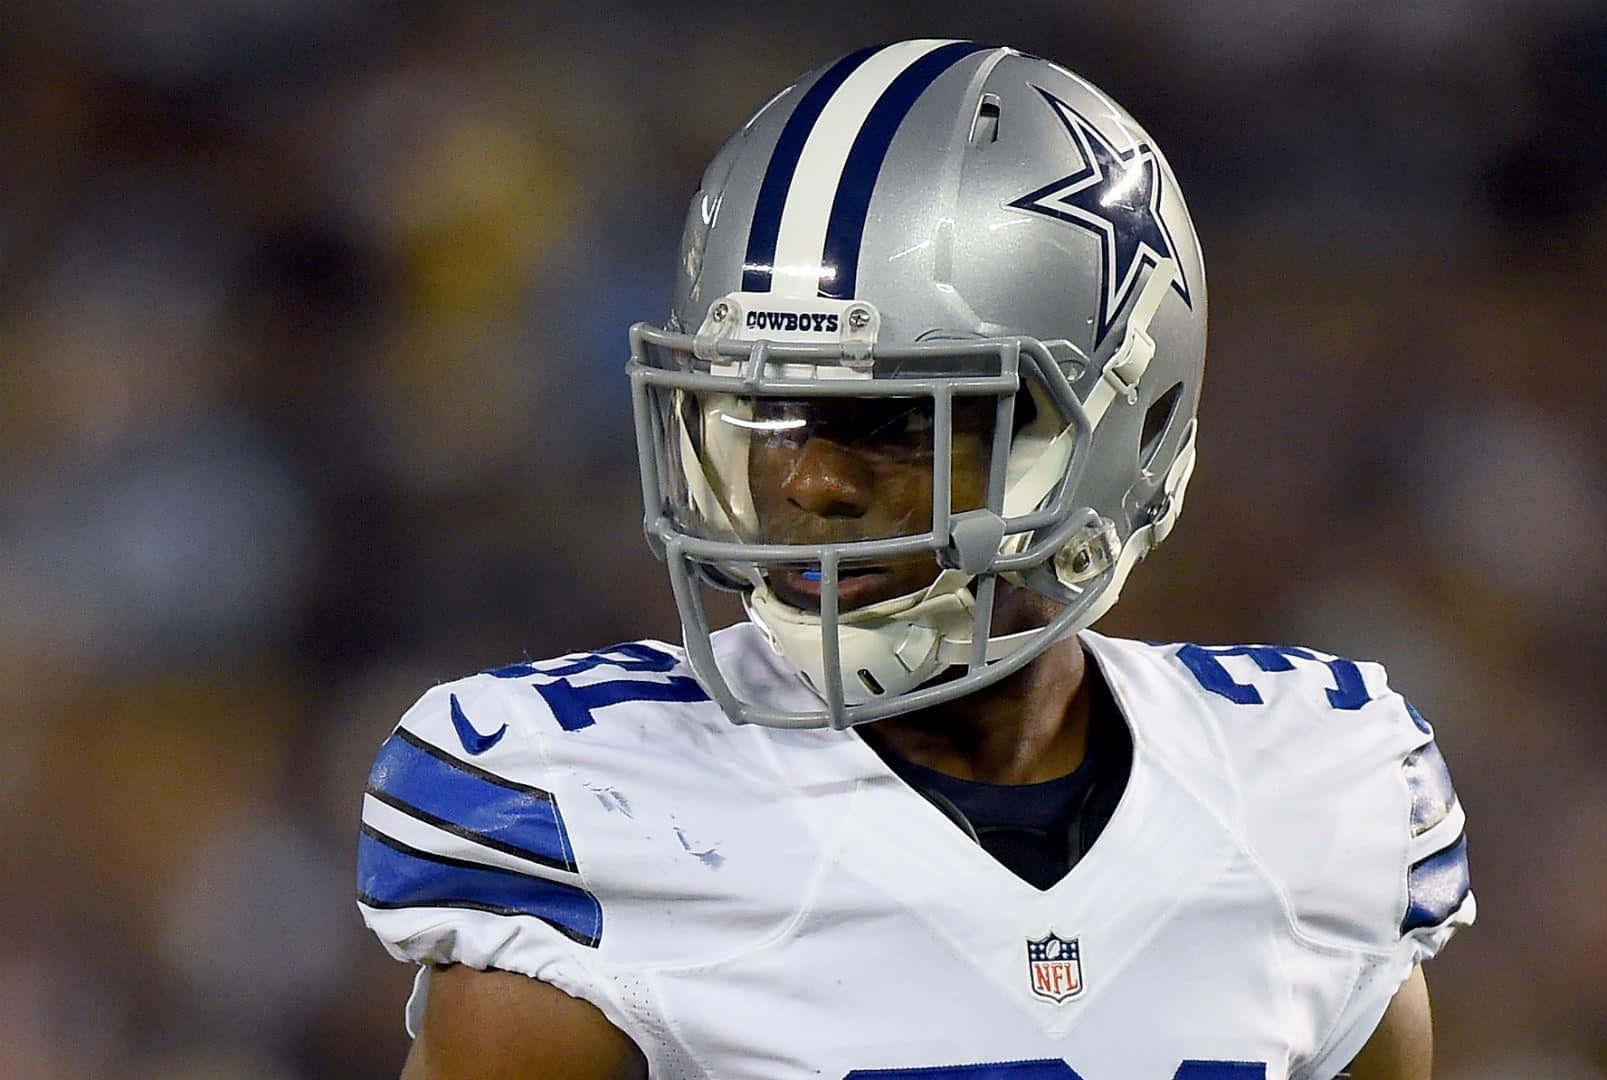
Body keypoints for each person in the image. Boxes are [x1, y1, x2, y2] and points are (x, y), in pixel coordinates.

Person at [356, 39, 1473, 1080]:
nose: (809, 482)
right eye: (767, 413)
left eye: (893, 420)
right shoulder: (586, 815)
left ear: (1118, 430)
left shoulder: (1318, 796)